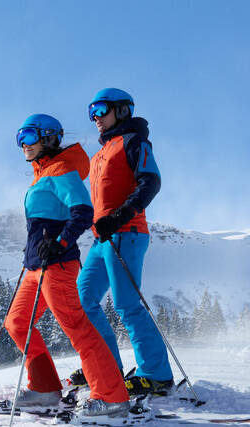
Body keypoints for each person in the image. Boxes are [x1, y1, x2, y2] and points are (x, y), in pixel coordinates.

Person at [6, 114, 129, 417]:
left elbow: (83, 212)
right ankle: (45, 388)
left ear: (48, 138)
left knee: (77, 329)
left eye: (30, 137)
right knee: (17, 323)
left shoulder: (61, 169)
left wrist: (60, 242)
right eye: (20, 138)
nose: (24, 144)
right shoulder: (42, 172)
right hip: (36, 267)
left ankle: (112, 397)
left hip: (57, 266)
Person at [72, 88, 173, 396]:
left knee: (126, 304)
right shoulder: (100, 154)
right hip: (102, 239)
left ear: (122, 110)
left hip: (126, 232)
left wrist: (120, 215)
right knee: (84, 298)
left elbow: (150, 181)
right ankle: (106, 367)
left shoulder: (134, 141)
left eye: (101, 109)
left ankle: (156, 374)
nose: (96, 118)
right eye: (91, 112)